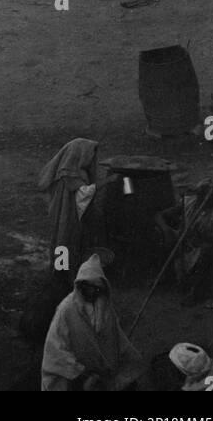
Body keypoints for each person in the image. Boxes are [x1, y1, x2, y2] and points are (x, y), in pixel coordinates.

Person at [41, 253, 144, 392]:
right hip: (76, 373)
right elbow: (55, 352)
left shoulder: (105, 308)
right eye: (86, 287)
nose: (90, 291)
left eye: (95, 288)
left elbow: (116, 339)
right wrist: (82, 375)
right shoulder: (66, 309)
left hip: (102, 371)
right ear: (79, 286)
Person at [39, 137, 101, 278]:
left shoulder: (73, 170)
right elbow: (83, 194)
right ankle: (61, 272)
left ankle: (64, 270)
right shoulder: (69, 174)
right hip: (66, 215)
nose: (92, 160)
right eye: (91, 156)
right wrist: (100, 186)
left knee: (68, 240)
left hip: (69, 214)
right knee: (64, 238)